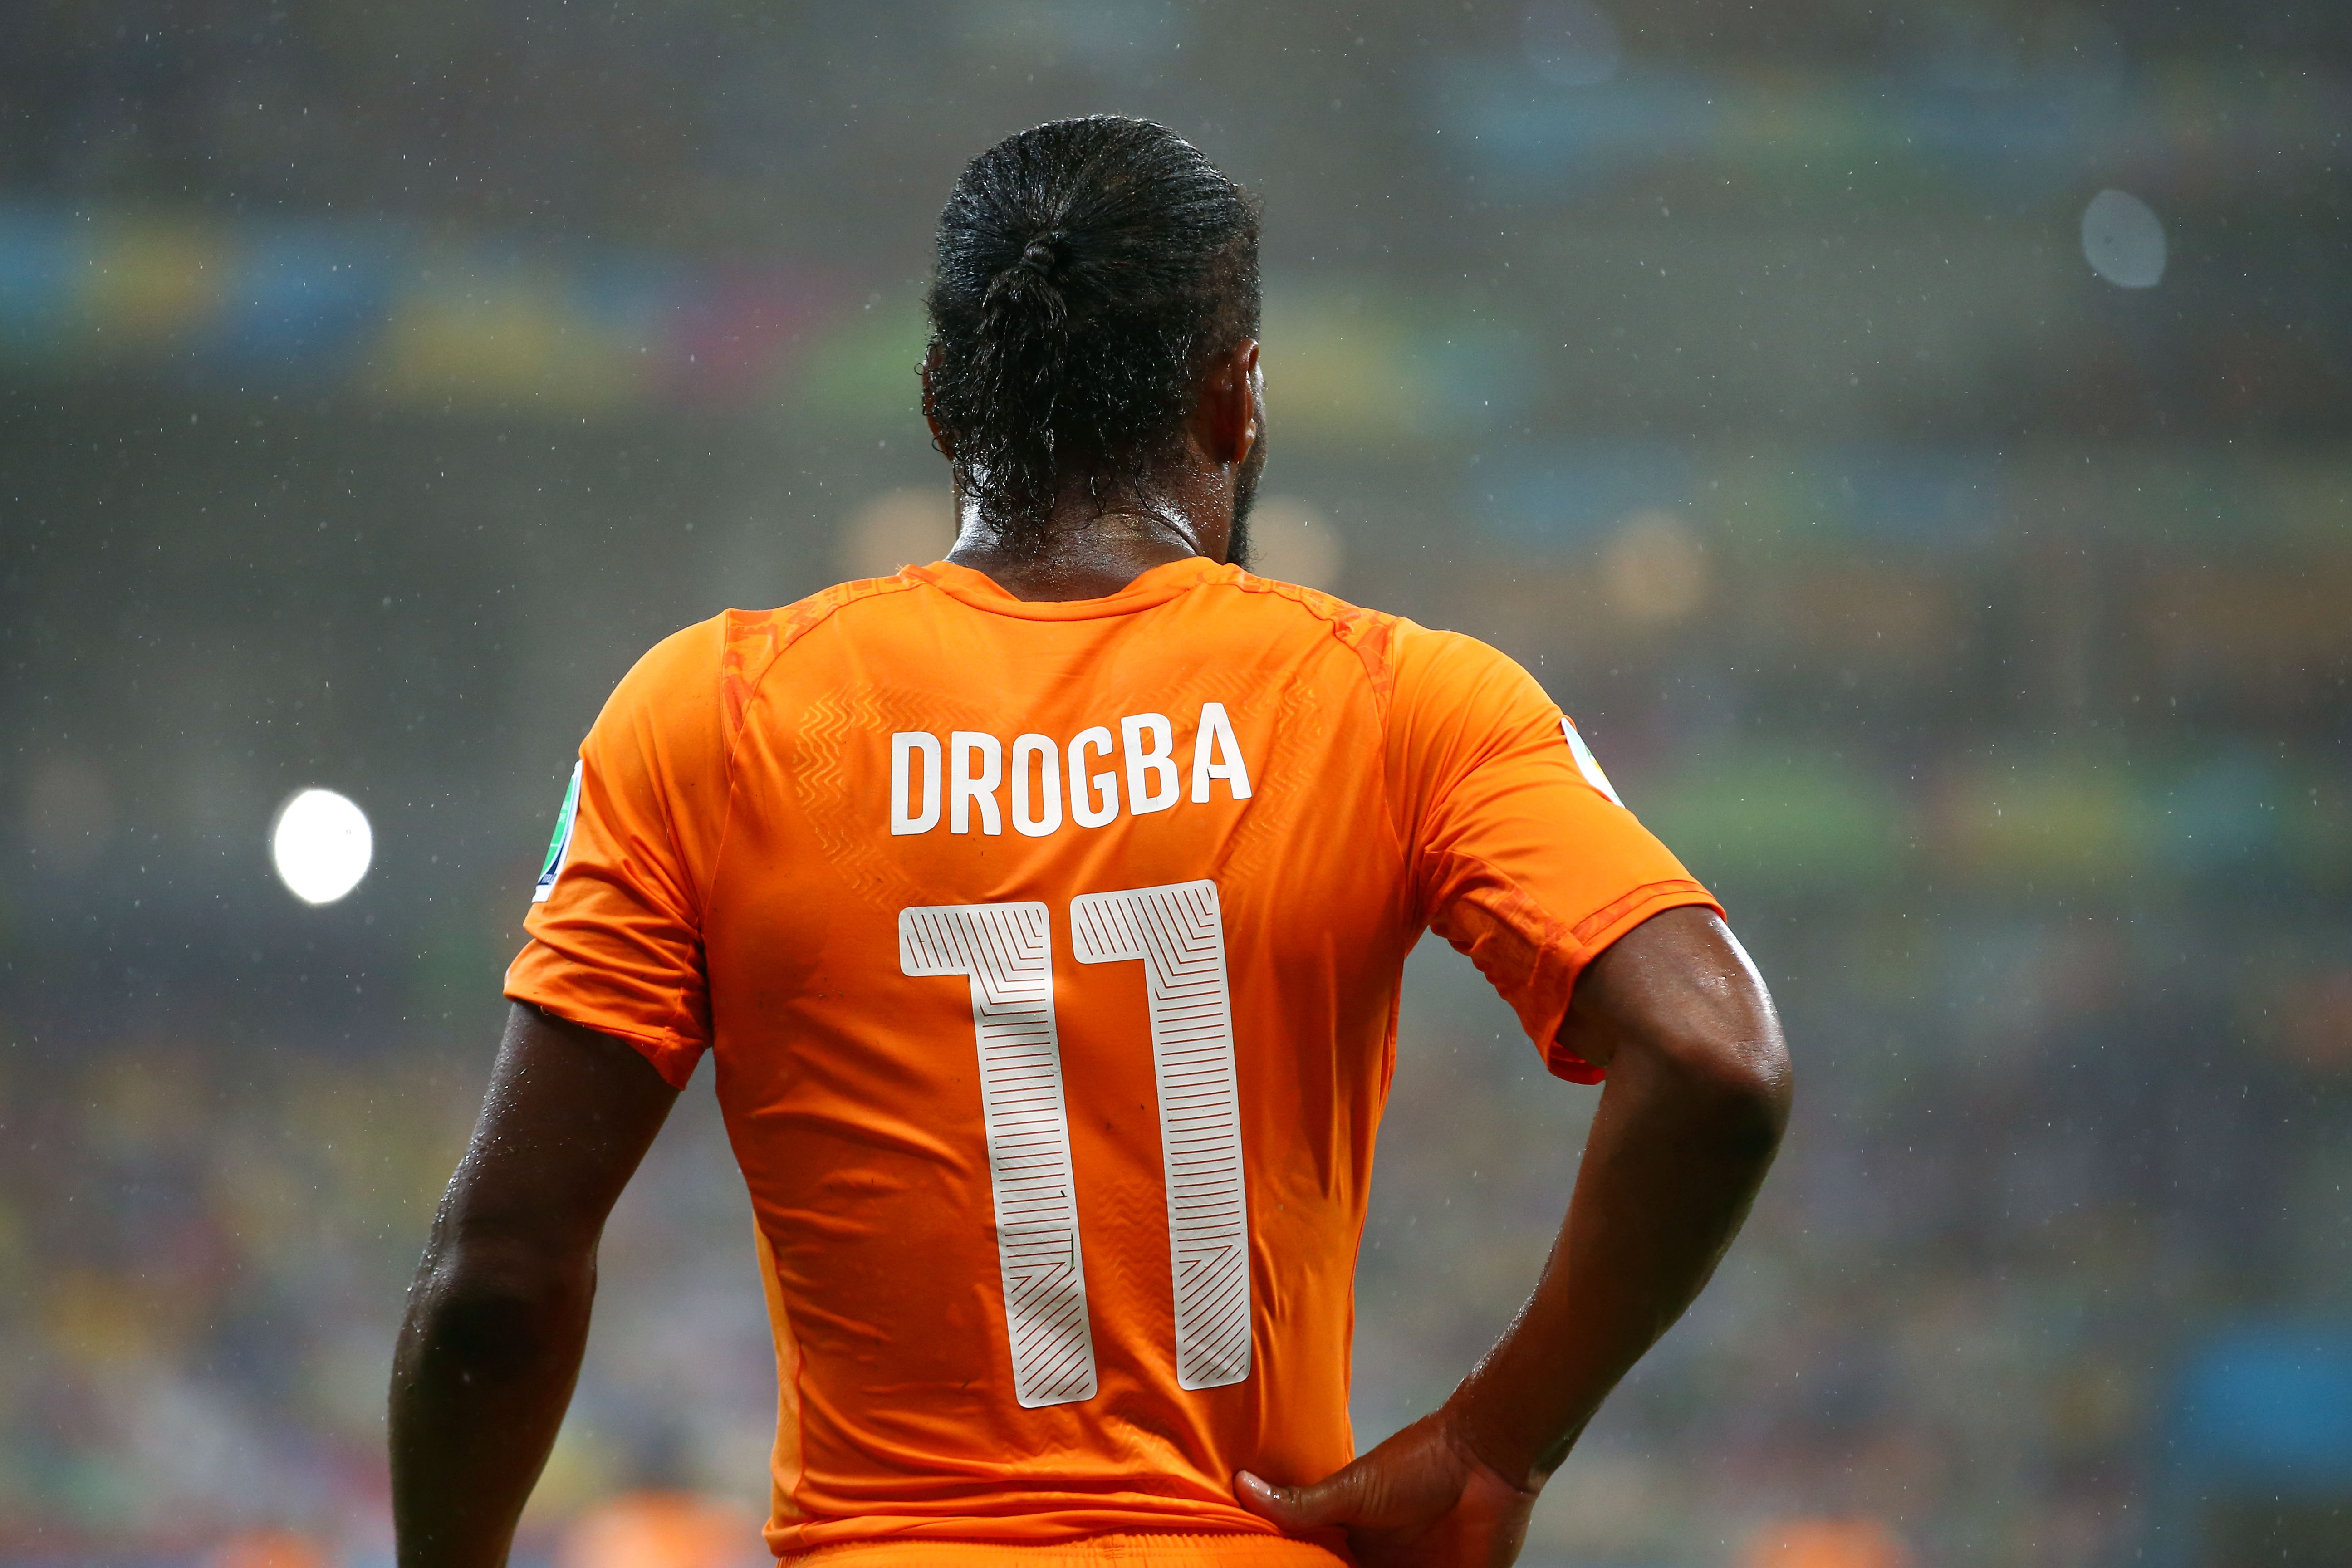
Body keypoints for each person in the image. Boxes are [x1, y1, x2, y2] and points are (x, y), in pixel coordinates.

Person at [391, 115, 1791, 1568]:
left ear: (941, 404)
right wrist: (1496, 1442)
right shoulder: (1403, 698)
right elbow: (1715, 1057)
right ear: (1237, 398)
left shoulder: (715, 713)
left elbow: (502, 1275)